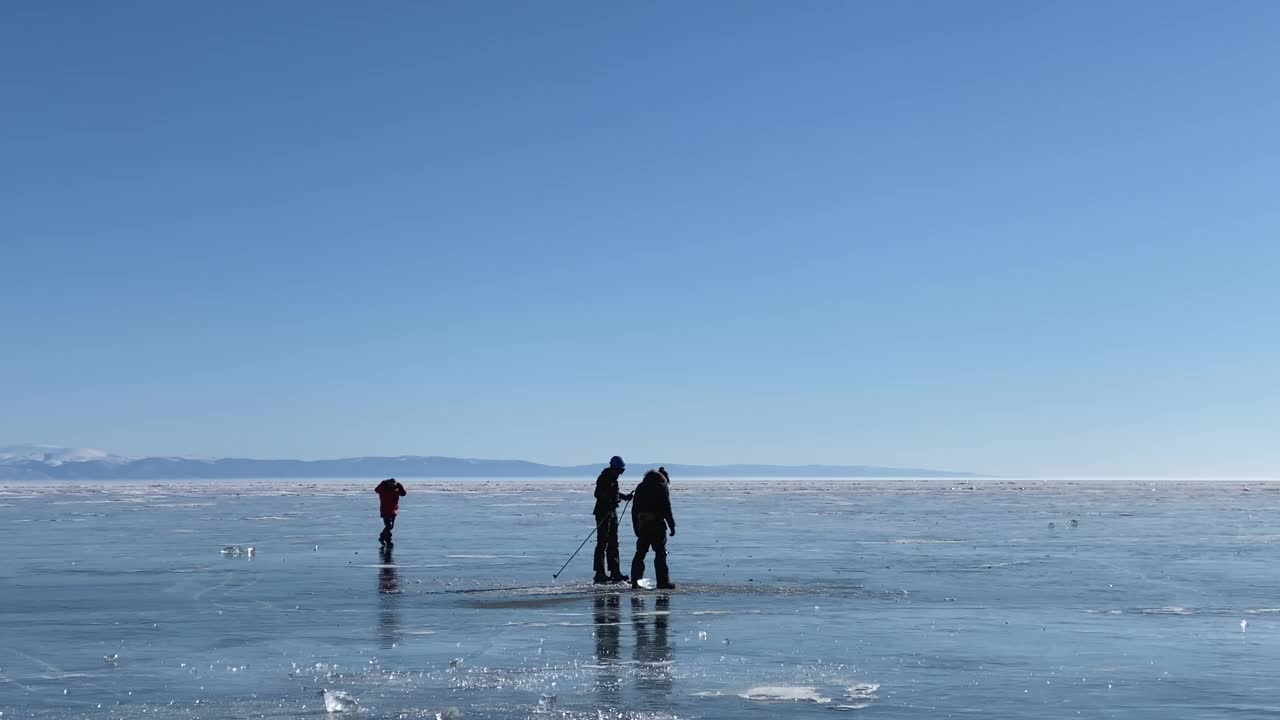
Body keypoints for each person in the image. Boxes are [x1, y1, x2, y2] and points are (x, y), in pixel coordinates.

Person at [630, 469, 676, 590]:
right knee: (660, 554)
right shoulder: (662, 487)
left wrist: (636, 526)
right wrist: (672, 525)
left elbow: (634, 509)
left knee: (640, 554)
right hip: (657, 526)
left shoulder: (640, 487)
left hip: (643, 525)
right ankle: (663, 582)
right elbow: (667, 508)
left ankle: (636, 582)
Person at [593, 456, 633, 584]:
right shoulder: (605, 477)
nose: (621, 474)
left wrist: (624, 497)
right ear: (615, 468)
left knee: (613, 543)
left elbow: (613, 493)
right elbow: (598, 494)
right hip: (603, 513)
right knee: (602, 543)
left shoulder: (613, 478)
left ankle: (615, 572)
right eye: (621, 471)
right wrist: (611, 501)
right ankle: (599, 573)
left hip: (611, 513)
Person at [375, 478, 407, 547]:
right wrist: (382, 483)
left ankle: (388, 540)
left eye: (394, 485)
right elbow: (376, 490)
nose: (392, 486)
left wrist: (399, 485)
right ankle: (382, 538)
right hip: (385, 510)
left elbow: (403, 494)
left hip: (393, 510)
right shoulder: (383, 489)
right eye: (391, 484)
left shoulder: (396, 489)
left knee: (390, 527)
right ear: (388, 484)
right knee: (388, 525)